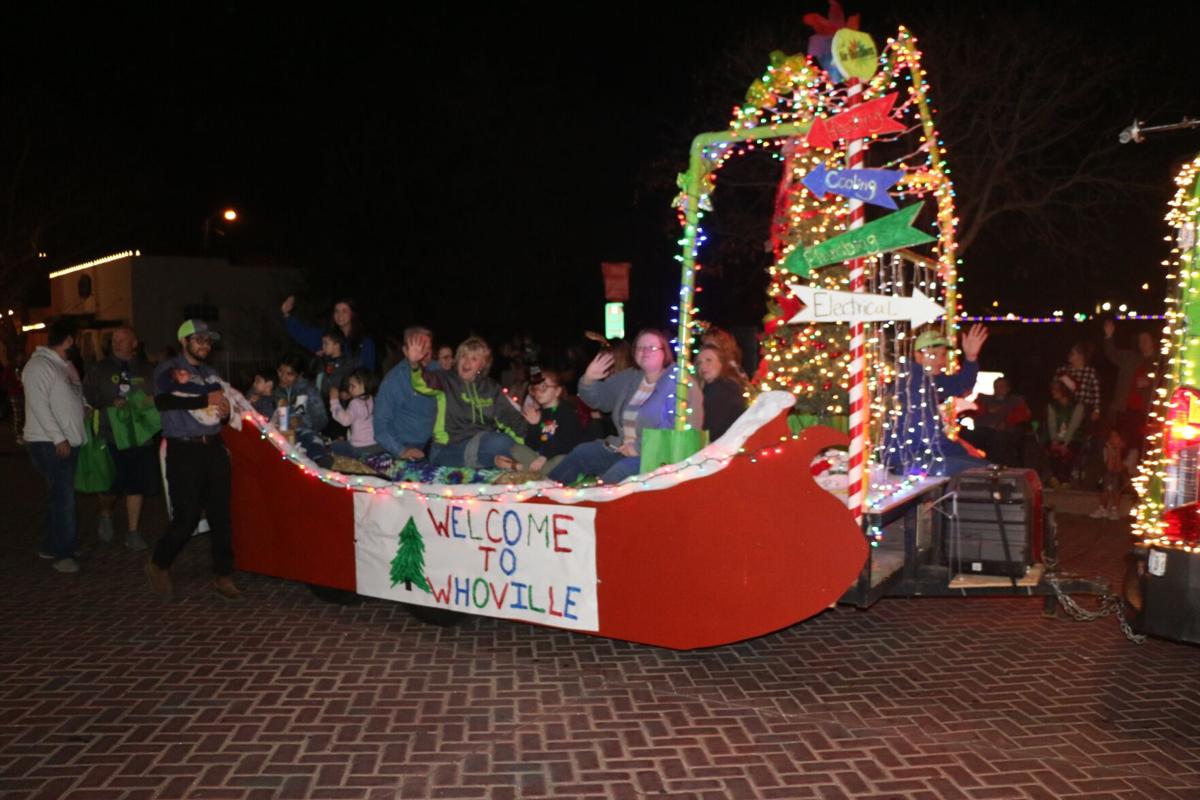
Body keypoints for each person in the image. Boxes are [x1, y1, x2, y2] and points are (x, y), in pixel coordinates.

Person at [144, 319, 239, 600]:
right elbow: (163, 402)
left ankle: (223, 575)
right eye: (198, 339)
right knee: (186, 518)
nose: (204, 345)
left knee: (221, 515)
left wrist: (224, 410)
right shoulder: (170, 369)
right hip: (183, 450)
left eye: (208, 340)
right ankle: (158, 564)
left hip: (212, 447)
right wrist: (204, 401)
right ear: (184, 341)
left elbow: (221, 404)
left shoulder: (210, 373)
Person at [548, 329, 704, 485]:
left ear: (665, 352)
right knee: (583, 453)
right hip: (623, 449)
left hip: (660, 457)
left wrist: (639, 447)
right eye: (640, 347)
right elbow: (600, 400)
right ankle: (544, 494)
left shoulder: (679, 383)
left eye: (652, 347)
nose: (645, 351)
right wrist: (589, 380)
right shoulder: (630, 377)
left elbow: (678, 428)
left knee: (619, 473)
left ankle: (599, 505)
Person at [82, 326, 158, 551]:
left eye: (122, 339)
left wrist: (148, 401)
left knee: (135, 484)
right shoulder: (99, 369)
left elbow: (158, 395)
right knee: (110, 486)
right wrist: (107, 403)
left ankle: (133, 531)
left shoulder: (146, 369)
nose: (116, 343)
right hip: (110, 434)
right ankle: (106, 512)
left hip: (140, 435)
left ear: (134, 343)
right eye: (114, 340)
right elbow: (87, 397)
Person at [410, 336, 536, 469]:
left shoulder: (490, 387)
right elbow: (422, 382)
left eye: (474, 359)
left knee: (508, 445)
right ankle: (528, 465)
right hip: (448, 449)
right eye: (463, 356)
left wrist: (533, 435)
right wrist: (414, 364)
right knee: (498, 442)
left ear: (482, 365)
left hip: (483, 445)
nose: (466, 362)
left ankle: (532, 464)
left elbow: (509, 418)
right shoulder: (445, 380)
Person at [882, 324, 989, 477]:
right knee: (985, 472)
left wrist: (971, 358)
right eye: (934, 354)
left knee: (984, 468)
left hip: (919, 455)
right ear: (918, 355)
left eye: (943, 354)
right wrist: (962, 449)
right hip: (911, 459)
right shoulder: (913, 385)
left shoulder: (927, 379)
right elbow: (928, 436)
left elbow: (960, 386)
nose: (941, 360)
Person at [24, 318, 86, 573]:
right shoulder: (39, 366)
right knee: (64, 497)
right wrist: (58, 437)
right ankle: (64, 553)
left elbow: (73, 396)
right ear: (69, 339)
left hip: (66, 440)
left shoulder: (63, 366)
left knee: (59, 495)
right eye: (77, 338)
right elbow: (39, 405)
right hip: (48, 442)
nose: (78, 343)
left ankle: (52, 544)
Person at [375, 326, 438, 460]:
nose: (425, 355)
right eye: (419, 349)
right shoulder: (394, 380)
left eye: (428, 349)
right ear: (405, 351)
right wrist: (401, 450)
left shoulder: (437, 370)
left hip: (436, 442)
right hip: (408, 444)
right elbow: (380, 426)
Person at [515, 369, 590, 475]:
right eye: (535, 388)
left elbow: (566, 443)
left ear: (557, 391)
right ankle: (536, 471)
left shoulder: (567, 412)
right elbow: (532, 446)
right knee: (516, 449)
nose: (538, 392)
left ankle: (521, 468)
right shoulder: (538, 413)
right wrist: (534, 425)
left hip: (563, 456)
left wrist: (544, 457)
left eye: (544, 387)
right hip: (542, 458)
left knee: (561, 460)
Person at [1102, 319, 1159, 450]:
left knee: (1139, 448)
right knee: (1120, 446)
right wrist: (1109, 336)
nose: (1143, 343)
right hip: (1123, 410)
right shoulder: (1130, 357)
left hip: (1144, 414)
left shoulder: (1159, 363)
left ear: (1153, 342)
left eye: (1146, 339)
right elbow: (1112, 353)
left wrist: (1150, 382)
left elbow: (1162, 382)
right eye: (1140, 340)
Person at [280, 295, 377, 372]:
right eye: (337, 311)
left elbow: (367, 372)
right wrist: (286, 314)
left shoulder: (364, 342)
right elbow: (302, 333)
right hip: (329, 390)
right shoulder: (327, 337)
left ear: (353, 314)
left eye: (344, 311)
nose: (340, 315)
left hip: (353, 391)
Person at [273, 354, 329, 464]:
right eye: (280, 371)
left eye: (289, 374)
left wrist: (302, 422)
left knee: (310, 441)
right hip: (278, 436)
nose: (283, 377)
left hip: (303, 436)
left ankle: (319, 458)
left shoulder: (307, 390)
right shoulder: (272, 387)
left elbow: (321, 419)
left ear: (299, 375)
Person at [696, 342, 748, 441]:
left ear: (721, 363)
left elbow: (712, 429)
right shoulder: (725, 385)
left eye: (709, 360)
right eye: (700, 362)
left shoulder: (722, 388)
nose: (703, 366)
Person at [329, 367, 384, 459]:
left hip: (359, 448)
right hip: (375, 444)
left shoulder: (355, 403)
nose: (349, 389)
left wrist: (334, 400)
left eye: (352, 386)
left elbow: (345, 420)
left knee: (333, 447)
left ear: (365, 385)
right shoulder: (372, 398)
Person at [1044, 376, 1084, 487]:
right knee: (1053, 450)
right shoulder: (1052, 405)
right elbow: (1052, 424)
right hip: (1057, 437)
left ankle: (1065, 478)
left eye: (1056, 389)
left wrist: (1065, 444)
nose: (1053, 392)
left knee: (1069, 450)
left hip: (1073, 437)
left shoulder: (1077, 406)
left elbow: (1073, 426)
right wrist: (1054, 440)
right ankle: (1056, 477)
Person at [1092, 428, 1127, 520]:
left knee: (1115, 478)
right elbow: (1109, 467)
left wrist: (1118, 450)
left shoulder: (1129, 451)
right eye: (1111, 437)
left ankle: (1114, 509)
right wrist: (1110, 450)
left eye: (1116, 436)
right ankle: (1103, 508)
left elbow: (1119, 468)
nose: (1113, 439)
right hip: (1109, 476)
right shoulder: (1106, 449)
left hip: (1124, 477)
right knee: (1108, 477)